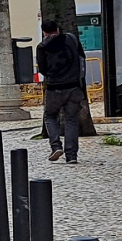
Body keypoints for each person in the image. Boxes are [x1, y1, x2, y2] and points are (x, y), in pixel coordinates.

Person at [36, 18, 88, 163]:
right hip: (73, 86)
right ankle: (71, 156)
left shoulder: (41, 47)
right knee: (71, 120)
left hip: (54, 88)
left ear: (44, 32)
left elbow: (42, 69)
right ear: (58, 28)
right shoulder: (71, 39)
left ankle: (56, 146)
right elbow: (81, 58)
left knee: (50, 116)